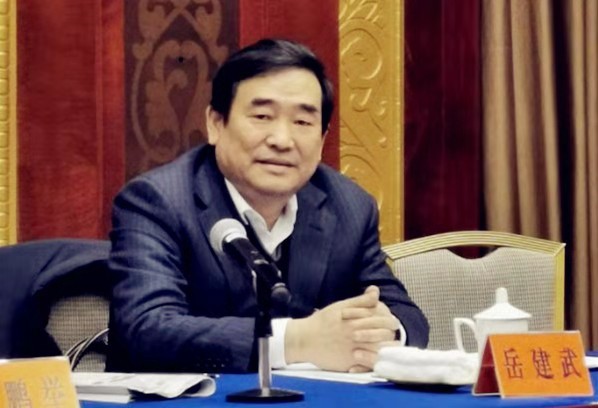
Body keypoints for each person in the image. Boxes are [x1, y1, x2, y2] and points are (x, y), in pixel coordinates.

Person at [107, 38, 429, 374]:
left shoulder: (349, 206)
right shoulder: (157, 201)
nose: (282, 140)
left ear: (322, 140)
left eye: (302, 122)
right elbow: (147, 329)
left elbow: (407, 318)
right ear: (216, 124)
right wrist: (296, 341)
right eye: (262, 116)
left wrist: (384, 333)